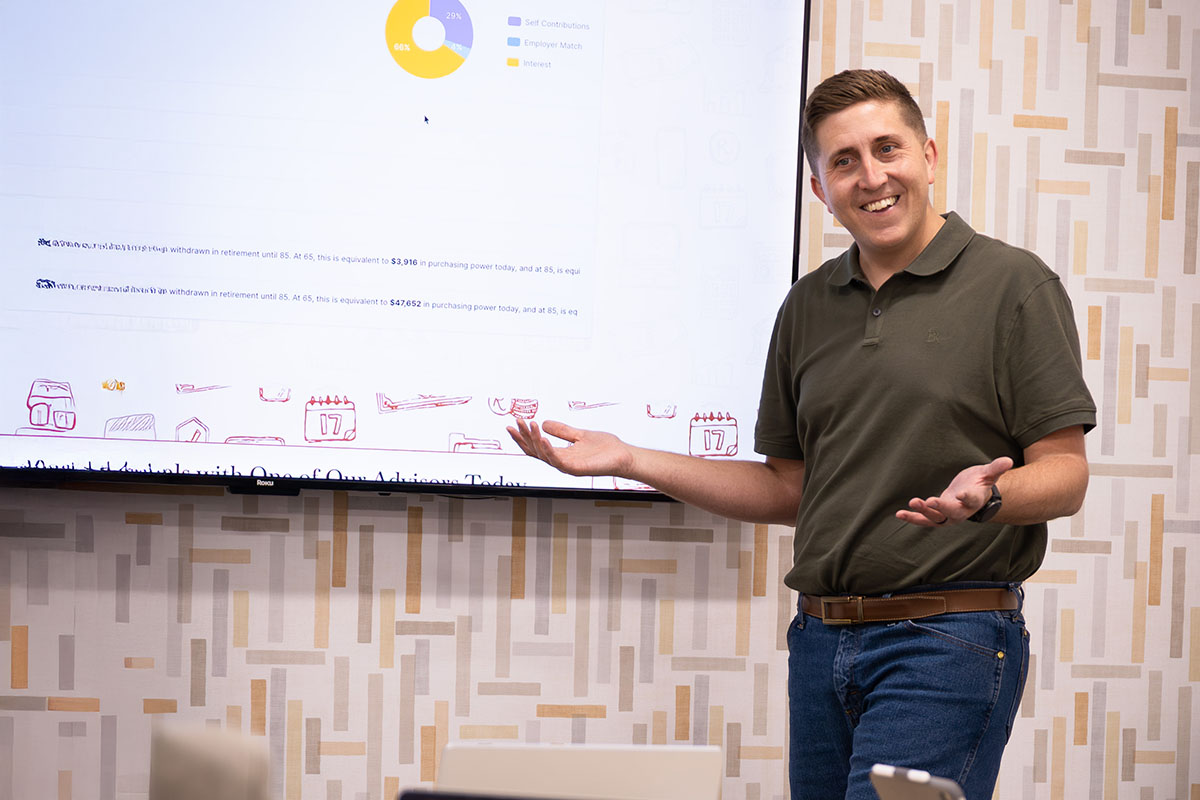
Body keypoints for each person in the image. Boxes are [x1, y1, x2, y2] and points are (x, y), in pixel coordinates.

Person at [507, 69, 1095, 800]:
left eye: (888, 149)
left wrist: (988, 496)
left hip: (947, 639)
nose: (871, 176)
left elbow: (1067, 475)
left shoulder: (1013, 285)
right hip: (820, 645)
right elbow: (790, 488)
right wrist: (630, 458)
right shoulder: (806, 307)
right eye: (843, 161)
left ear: (930, 156)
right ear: (820, 188)